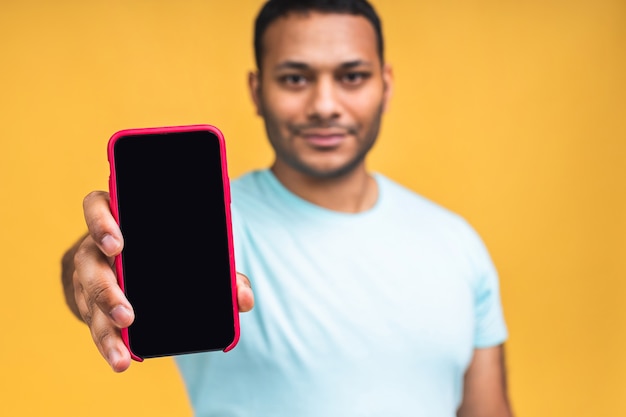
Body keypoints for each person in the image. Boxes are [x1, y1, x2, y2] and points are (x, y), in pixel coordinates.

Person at [61, 0, 514, 415]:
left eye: (352, 76)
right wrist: (91, 270)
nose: (324, 105)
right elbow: (89, 270)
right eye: (295, 78)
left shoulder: (457, 243)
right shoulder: (212, 227)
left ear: (386, 85)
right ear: (257, 91)